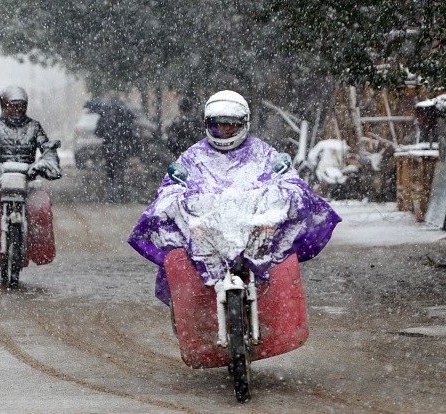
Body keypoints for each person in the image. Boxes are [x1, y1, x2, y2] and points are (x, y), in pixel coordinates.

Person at [128, 90, 341, 305]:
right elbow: (172, 186)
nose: (223, 131)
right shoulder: (193, 157)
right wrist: (174, 193)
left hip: (253, 232)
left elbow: (287, 179)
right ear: (207, 124)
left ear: (243, 124)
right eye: (217, 126)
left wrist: (286, 184)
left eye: (230, 126)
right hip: (207, 235)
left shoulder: (263, 153)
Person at [0, 85, 61, 197]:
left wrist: (46, 163)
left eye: (21, 106)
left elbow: (47, 147)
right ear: (3, 106)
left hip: (28, 182)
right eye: (13, 106)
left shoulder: (34, 126)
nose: (17, 110)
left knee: (42, 206)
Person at [87, 96, 138, 203]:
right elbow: (131, 133)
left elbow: (98, 132)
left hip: (109, 148)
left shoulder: (104, 116)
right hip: (122, 147)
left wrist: (107, 133)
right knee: (121, 170)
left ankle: (111, 195)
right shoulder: (125, 116)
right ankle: (121, 194)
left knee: (110, 171)